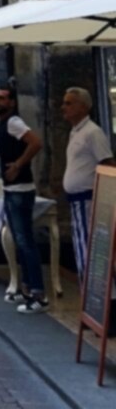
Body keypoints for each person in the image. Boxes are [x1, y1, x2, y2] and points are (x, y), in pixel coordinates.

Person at [0, 85, 47, 314]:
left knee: (25, 242)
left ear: (12, 102)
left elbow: (35, 142)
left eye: (2, 98)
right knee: (20, 240)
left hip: (20, 189)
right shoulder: (4, 123)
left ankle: (38, 295)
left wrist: (18, 165)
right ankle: (26, 289)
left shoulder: (14, 122)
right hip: (12, 188)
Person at [62, 87, 114, 283]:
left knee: (88, 247)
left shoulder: (93, 132)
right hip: (77, 201)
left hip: (88, 200)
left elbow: (107, 163)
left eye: (69, 103)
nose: (63, 107)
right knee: (81, 245)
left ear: (83, 107)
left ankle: (97, 295)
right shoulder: (75, 132)